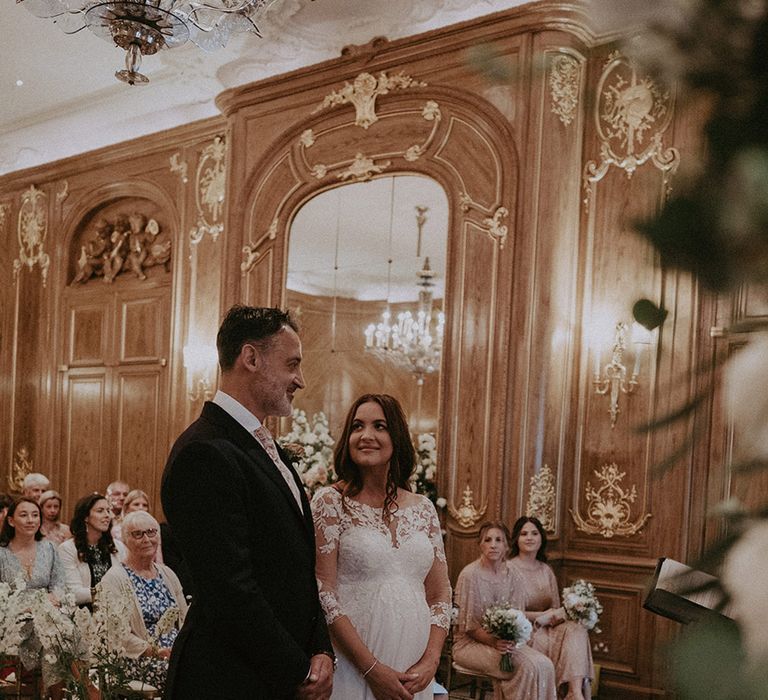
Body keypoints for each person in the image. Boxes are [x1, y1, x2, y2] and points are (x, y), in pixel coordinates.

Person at [161, 305, 334, 700]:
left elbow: (297, 567)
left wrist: (321, 646)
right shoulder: (204, 452)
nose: (301, 380)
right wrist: (300, 668)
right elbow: (230, 589)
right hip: (228, 678)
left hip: (273, 673)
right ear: (251, 358)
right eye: (292, 364)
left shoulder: (262, 445)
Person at [312, 393, 452, 700]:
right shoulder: (330, 502)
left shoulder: (424, 508)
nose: (367, 435)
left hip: (414, 672)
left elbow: (440, 593)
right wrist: (372, 669)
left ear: (397, 437)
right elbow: (324, 591)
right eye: (357, 426)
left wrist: (431, 661)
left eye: (380, 426)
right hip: (354, 666)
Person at [453, 521, 557, 700]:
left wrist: (508, 639)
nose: (493, 545)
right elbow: (468, 626)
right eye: (488, 540)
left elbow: (517, 615)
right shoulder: (469, 575)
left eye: (499, 540)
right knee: (526, 667)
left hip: (507, 644)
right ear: (480, 544)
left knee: (545, 664)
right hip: (470, 644)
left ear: (507, 546)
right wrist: (494, 642)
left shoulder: (514, 574)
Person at [100, 511, 187, 694]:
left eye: (151, 532)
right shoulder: (114, 579)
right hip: (137, 659)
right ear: (124, 540)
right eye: (138, 534)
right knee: (183, 675)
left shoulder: (168, 574)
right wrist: (157, 652)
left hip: (175, 655)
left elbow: (185, 619)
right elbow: (118, 634)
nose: (146, 539)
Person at [508, 517, 594, 700]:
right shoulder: (509, 569)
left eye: (534, 533)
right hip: (524, 631)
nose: (529, 538)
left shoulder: (545, 570)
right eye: (524, 534)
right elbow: (509, 613)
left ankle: (575, 693)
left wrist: (566, 612)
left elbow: (554, 606)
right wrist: (541, 616)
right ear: (516, 539)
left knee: (577, 629)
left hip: (548, 626)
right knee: (549, 642)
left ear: (541, 539)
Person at [0, 497, 66, 691]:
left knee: (61, 633)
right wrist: (26, 607)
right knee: (54, 636)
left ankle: (58, 694)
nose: (31, 520)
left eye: (35, 515)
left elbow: (59, 583)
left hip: (48, 612)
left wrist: (54, 598)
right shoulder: (2, 553)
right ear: (11, 521)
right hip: (12, 617)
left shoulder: (49, 548)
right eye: (24, 515)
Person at [58, 493, 125, 606]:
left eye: (108, 511)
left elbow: (125, 583)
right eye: (100, 511)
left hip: (116, 610)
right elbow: (74, 593)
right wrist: (107, 593)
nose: (107, 515)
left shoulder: (117, 547)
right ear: (86, 517)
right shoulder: (67, 549)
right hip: (83, 614)